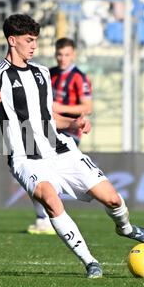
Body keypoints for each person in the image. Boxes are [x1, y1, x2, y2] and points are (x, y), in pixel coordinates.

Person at [0, 14, 144, 278]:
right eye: (29, 41)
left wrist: (73, 123)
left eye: (36, 41)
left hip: (62, 150)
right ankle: (90, 262)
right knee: (50, 200)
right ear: (12, 40)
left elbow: (47, 116)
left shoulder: (41, 73)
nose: (34, 46)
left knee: (112, 199)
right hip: (26, 157)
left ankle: (126, 228)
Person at [28, 37, 94, 235]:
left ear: (73, 55)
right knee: (35, 169)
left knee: (49, 173)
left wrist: (59, 108)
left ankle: (51, 217)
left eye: (66, 55)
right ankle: (43, 218)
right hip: (47, 127)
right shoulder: (48, 74)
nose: (62, 58)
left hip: (70, 131)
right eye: (59, 54)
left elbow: (87, 107)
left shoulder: (78, 77)